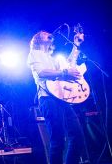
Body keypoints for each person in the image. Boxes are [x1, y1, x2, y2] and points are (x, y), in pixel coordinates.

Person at [27, 30, 85, 164]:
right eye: (44, 33)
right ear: (38, 39)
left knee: (77, 136)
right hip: (47, 99)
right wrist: (64, 73)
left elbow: (69, 65)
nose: (48, 33)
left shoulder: (52, 58)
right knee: (58, 141)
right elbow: (41, 72)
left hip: (62, 99)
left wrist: (76, 45)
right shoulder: (34, 54)